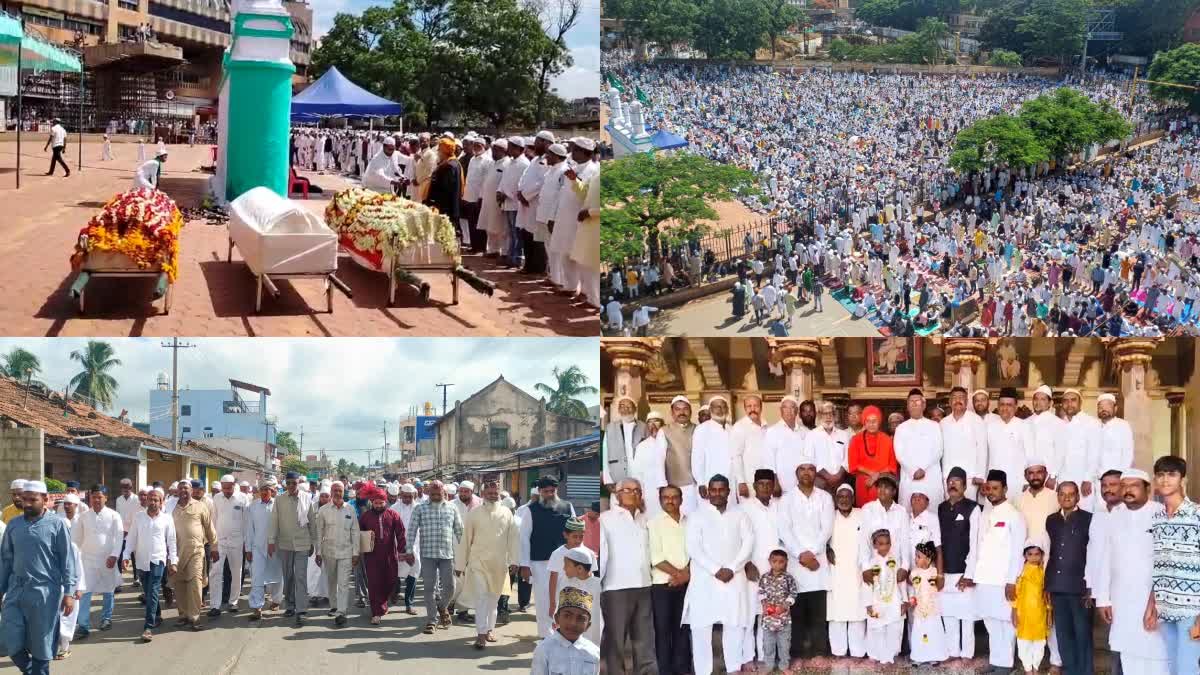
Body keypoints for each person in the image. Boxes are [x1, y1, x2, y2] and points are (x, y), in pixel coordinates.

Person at [1094, 469, 1169, 674]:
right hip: (1121, 602)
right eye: (1124, 486)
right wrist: (1103, 599)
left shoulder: (1162, 514)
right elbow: (1106, 558)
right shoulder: (1115, 517)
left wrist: (1158, 602)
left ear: (1147, 488)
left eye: (1134, 486)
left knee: (1156, 656)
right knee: (1128, 657)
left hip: (1152, 601)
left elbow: (1167, 562)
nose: (1127, 490)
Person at [0, 480, 77, 675]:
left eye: (32, 500)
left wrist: (69, 592)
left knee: (41, 647)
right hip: (16, 591)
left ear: (45, 499)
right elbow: (6, 560)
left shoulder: (57, 524)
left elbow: (67, 560)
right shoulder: (14, 525)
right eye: (24, 499)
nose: (26, 503)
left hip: (44, 593)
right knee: (11, 641)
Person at [684, 474, 754, 675]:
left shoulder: (740, 515)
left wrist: (732, 568)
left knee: (733, 625)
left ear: (728, 492)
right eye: (713, 490)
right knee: (701, 630)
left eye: (721, 489)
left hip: (733, 578)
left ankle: (733, 669)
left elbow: (748, 542)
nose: (717, 494)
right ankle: (703, 672)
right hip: (705, 580)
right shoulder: (697, 516)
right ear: (707, 492)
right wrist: (716, 569)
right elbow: (693, 548)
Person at [1145, 455, 1200, 675]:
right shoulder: (1157, 518)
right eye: (1160, 475)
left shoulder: (1196, 514)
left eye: (1171, 474)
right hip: (1165, 606)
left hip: (1191, 609)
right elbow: (1159, 565)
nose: (1165, 480)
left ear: (1182, 480)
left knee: (1187, 669)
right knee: (1174, 668)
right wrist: (1152, 604)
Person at [779, 461, 834, 664]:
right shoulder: (786, 499)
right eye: (802, 469)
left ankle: (819, 652)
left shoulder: (825, 498)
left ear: (815, 473)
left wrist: (813, 553)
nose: (806, 473)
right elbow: (784, 529)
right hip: (796, 561)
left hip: (817, 560)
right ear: (796, 473)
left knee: (819, 609)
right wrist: (800, 554)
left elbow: (826, 528)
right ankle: (799, 654)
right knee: (797, 610)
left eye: (810, 469)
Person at [599, 477, 655, 675]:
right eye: (628, 490)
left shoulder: (645, 519)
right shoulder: (606, 519)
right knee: (616, 642)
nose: (633, 494)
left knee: (645, 640)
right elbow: (603, 554)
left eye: (637, 490)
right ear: (618, 494)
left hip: (644, 585)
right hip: (616, 587)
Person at [454, 479, 518, 648]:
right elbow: (465, 540)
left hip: (499, 564)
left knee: (492, 600)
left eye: (495, 493)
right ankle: (481, 634)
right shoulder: (474, 513)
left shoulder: (507, 513)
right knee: (481, 598)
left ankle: (490, 630)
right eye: (489, 493)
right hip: (478, 563)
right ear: (483, 494)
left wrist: (515, 560)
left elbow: (513, 539)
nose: (493, 495)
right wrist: (460, 565)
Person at [976, 469, 1027, 674]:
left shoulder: (1014, 515)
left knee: (1006, 622)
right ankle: (996, 660)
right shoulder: (985, 514)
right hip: (984, 577)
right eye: (989, 488)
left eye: (996, 488)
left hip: (1003, 579)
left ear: (1005, 489)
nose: (991, 492)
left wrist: (1012, 580)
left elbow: (1018, 551)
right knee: (990, 621)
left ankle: (1006, 663)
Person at [1045, 481, 1095, 675]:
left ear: (1078, 497)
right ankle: (1071, 671)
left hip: (1080, 587)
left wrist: (1091, 586)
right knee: (1063, 634)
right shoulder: (1051, 520)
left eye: (1071, 494)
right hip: (1057, 585)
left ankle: (1085, 672)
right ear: (1057, 496)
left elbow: (1093, 553)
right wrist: (1047, 585)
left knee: (1082, 634)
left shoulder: (1088, 519)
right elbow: (1051, 552)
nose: (1066, 498)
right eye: (1063, 494)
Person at [404, 479, 463, 634]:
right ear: (428, 493)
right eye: (433, 493)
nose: (436, 496)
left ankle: (442, 607)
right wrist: (409, 550)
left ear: (444, 492)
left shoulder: (452, 508)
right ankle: (432, 620)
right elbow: (411, 530)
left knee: (450, 586)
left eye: (439, 493)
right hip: (428, 555)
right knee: (429, 588)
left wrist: (466, 552)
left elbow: (459, 530)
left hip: (447, 554)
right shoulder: (420, 508)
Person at [939, 466, 982, 663]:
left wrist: (970, 573)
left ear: (965, 486)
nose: (953, 484)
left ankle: (967, 654)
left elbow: (975, 543)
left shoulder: (973, 508)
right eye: (950, 480)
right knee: (948, 614)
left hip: (964, 571)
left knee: (966, 616)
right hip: (945, 570)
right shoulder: (941, 508)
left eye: (957, 481)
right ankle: (952, 651)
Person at [648, 484, 691, 675]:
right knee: (663, 631)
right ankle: (665, 671)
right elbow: (655, 557)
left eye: (674, 497)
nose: (670, 500)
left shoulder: (690, 521)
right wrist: (678, 574)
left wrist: (685, 575)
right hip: (662, 585)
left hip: (686, 584)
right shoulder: (653, 523)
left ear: (681, 499)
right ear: (660, 500)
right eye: (666, 497)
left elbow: (695, 552)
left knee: (682, 629)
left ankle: (682, 670)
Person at [122, 487, 176, 641]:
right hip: (141, 560)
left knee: (152, 590)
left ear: (161, 502)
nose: (152, 502)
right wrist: (126, 556)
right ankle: (157, 615)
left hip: (158, 560)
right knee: (148, 591)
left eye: (156, 500)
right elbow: (131, 538)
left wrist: (173, 561)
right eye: (150, 499)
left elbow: (171, 541)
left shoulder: (167, 519)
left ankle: (148, 627)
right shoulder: (139, 517)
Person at [71, 484, 123, 639]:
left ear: (106, 498)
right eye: (94, 497)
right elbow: (76, 539)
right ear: (90, 498)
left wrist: (114, 555)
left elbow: (119, 537)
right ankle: (83, 625)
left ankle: (106, 618)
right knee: (85, 591)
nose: (97, 500)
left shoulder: (114, 515)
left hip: (108, 559)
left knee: (108, 589)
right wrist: (74, 558)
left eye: (100, 497)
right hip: (87, 559)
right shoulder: (84, 516)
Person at [268, 471, 316, 627]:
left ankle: (301, 610)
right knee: (288, 576)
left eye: (293, 483)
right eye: (288, 483)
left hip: (303, 543)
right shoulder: (279, 500)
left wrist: (314, 542)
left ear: (298, 483)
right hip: (285, 544)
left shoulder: (306, 498)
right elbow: (274, 520)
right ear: (285, 484)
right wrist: (271, 541)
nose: (290, 486)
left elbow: (312, 522)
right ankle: (290, 604)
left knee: (300, 576)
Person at [826, 483, 867, 660]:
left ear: (853, 498)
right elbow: (821, 536)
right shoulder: (830, 516)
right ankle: (838, 652)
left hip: (856, 570)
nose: (844, 500)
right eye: (840, 497)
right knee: (837, 614)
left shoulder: (862, 514)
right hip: (836, 572)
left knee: (858, 612)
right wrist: (826, 548)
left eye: (847, 496)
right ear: (836, 499)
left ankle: (858, 652)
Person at [171, 478, 216, 631]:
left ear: (191, 490)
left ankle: (195, 617)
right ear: (177, 491)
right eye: (180, 488)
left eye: (186, 488)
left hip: (196, 551)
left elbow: (209, 527)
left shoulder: (200, 506)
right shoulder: (172, 507)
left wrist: (214, 547)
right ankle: (183, 615)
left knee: (196, 583)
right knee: (179, 585)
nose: (183, 491)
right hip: (176, 553)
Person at [315, 480, 360, 627]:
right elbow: (319, 532)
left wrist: (356, 552)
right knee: (331, 580)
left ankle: (341, 612)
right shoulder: (324, 510)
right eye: (334, 490)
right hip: (329, 552)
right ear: (331, 492)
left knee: (344, 582)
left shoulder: (350, 510)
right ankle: (333, 606)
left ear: (343, 492)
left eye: (339, 490)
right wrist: (318, 552)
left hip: (346, 552)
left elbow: (355, 532)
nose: (337, 493)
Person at [359, 484, 406, 626]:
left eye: (381, 502)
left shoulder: (393, 515)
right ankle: (376, 612)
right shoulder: (366, 516)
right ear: (372, 503)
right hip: (371, 557)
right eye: (376, 503)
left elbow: (401, 532)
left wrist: (402, 550)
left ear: (385, 502)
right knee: (374, 584)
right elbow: (359, 534)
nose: (378, 505)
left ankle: (383, 604)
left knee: (390, 581)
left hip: (390, 555)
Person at [530, 587, 600, 675]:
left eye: (581, 618)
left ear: (588, 626)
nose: (573, 623)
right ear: (557, 618)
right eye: (567, 615)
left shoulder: (594, 653)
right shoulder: (544, 650)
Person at [895, 388, 945, 506]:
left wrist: (923, 468)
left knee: (932, 510)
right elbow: (899, 454)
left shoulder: (934, 426)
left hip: (930, 475)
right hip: (909, 477)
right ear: (907, 406)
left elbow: (938, 451)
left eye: (917, 401)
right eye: (911, 402)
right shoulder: (901, 428)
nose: (914, 404)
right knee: (908, 512)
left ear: (924, 404)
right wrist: (913, 470)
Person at [208, 474, 249, 616]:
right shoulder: (216, 498)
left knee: (236, 572)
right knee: (215, 572)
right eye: (224, 488)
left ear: (233, 485)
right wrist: (213, 542)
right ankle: (215, 605)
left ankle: (233, 602)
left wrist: (246, 543)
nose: (226, 491)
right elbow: (213, 520)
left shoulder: (242, 498)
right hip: (220, 542)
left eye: (229, 488)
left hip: (237, 542)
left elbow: (247, 522)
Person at [864, 528, 905, 665]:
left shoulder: (896, 561)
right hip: (877, 600)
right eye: (881, 544)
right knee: (878, 628)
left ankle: (889, 656)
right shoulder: (870, 563)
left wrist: (904, 601)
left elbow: (901, 583)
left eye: (887, 543)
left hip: (894, 599)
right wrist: (868, 603)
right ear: (875, 545)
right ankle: (877, 655)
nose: (885, 547)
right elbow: (867, 585)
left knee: (893, 628)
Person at [245, 477, 283, 621]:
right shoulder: (253, 507)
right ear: (259, 491)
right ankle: (257, 606)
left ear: (272, 491)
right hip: (258, 548)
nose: (265, 492)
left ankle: (276, 600)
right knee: (257, 576)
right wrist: (248, 549)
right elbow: (249, 529)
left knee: (278, 575)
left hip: (276, 547)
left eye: (268, 489)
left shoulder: (278, 505)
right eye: (262, 490)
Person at [1014, 538, 1052, 675]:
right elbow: (1016, 594)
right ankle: (1028, 670)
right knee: (1024, 643)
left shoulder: (1044, 573)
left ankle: (1035, 668)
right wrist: (1014, 611)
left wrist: (1049, 613)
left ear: (1042, 555)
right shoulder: (1021, 573)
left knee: (1039, 643)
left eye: (1037, 554)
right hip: (1023, 614)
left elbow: (1046, 596)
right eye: (1030, 554)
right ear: (1025, 555)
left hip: (1039, 614)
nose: (1033, 557)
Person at [847, 405, 898, 507]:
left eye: (874, 421)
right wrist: (871, 473)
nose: (871, 424)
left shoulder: (887, 440)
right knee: (864, 513)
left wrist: (876, 476)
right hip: (863, 483)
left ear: (879, 422)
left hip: (882, 483)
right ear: (864, 422)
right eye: (868, 421)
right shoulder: (856, 440)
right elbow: (853, 464)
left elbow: (892, 466)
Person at [986, 388, 1034, 494]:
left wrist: (1027, 481)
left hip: (1018, 482)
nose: (1005, 408)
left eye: (1009, 405)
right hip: (994, 482)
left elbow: (1030, 455)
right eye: (1002, 404)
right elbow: (986, 456)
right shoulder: (989, 427)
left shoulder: (1025, 426)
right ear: (998, 406)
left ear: (1016, 407)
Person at [909, 540, 949, 667]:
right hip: (920, 609)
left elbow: (938, 587)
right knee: (919, 632)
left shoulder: (933, 572)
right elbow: (913, 589)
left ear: (928, 559)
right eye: (915, 556)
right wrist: (912, 599)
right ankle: (918, 657)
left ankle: (934, 656)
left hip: (932, 609)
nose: (916, 559)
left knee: (933, 632)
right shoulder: (914, 573)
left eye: (919, 556)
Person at [759, 549, 799, 672]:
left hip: (784, 619)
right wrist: (764, 604)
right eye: (774, 561)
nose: (777, 564)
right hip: (768, 619)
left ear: (786, 562)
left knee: (784, 645)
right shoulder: (764, 577)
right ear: (769, 562)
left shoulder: (789, 578)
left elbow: (793, 593)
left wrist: (785, 605)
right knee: (768, 645)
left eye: (781, 562)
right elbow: (761, 592)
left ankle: (784, 666)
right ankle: (768, 666)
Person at [766, 396, 810, 495]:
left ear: (797, 411)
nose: (789, 411)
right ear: (781, 411)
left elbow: (808, 458)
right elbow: (769, 460)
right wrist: (775, 482)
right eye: (785, 407)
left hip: (802, 485)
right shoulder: (772, 431)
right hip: (781, 485)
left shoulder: (805, 432)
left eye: (792, 407)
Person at [389, 483, 421, 615]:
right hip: (397, 546)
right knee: (394, 573)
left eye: (410, 496)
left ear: (413, 495)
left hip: (415, 546)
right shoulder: (394, 508)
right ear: (400, 495)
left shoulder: (419, 508)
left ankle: (409, 603)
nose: (407, 499)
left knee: (412, 574)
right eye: (405, 496)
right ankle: (394, 593)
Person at [631, 411, 668, 519]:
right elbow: (637, 474)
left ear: (663, 424)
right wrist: (639, 497)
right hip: (649, 494)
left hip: (669, 493)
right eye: (649, 422)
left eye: (656, 421)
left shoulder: (670, 442)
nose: (653, 425)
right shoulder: (642, 446)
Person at [731, 394, 768, 500]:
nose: (753, 409)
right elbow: (736, 456)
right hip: (748, 482)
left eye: (756, 406)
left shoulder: (766, 426)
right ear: (745, 408)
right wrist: (741, 482)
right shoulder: (739, 427)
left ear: (761, 407)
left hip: (765, 480)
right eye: (749, 406)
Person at [604, 396, 646, 489]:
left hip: (640, 474)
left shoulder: (644, 427)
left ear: (635, 409)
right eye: (622, 406)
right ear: (619, 409)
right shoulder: (610, 428)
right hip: (618, 474)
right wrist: (608, 480)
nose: (625, 409)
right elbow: (605, 453)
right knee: (619, 501)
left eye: (629, 406)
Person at [425, 137, 462, 227]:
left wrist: (433, 201)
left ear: (444, 151)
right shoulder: (453, 162)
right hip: (447, 208)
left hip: (445, 209)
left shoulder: (449, 166)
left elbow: (445, 189)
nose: (438, 152)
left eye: (439, 150)